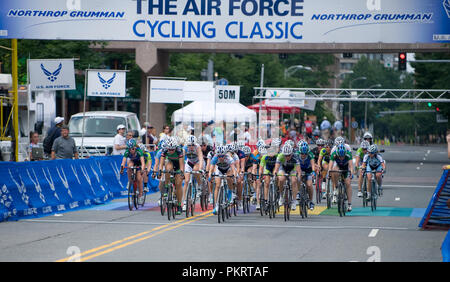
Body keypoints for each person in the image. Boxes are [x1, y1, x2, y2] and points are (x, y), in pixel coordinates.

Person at [209, 145, 237, 215]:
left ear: (225, 155)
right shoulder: (215, 158)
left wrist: (234, 176)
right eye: (219, 156)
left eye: (222, 156)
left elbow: (233, 169)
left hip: (228, 169)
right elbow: (211, 169)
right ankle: (216, 205)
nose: (221, 158)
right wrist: (210, 176)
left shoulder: (229, 158)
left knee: (229, 178)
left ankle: (230, 192)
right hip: (219, 170)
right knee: (217, 186)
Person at [273, 143, 301, 211]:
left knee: (294, 181)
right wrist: (275, 174)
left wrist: (299, 178)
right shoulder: (280, 156)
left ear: (291, 153)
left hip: (292, 169)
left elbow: (298, 170)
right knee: (281, 179)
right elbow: (276, 169)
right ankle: (281, 196)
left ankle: (294, 201)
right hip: (283, 168)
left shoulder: (295, 156)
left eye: (288, 155)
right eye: (285, 155)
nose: (287, 157)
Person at [328, 143, 354, 212]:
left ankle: (349, 204)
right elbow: (330, 165)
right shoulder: (334, 154)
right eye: (340, 156)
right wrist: (329, 172)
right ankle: (336, 188)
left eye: (343, 156)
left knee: (348, 183)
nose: (341, 158)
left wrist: (351, 173)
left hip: (346, 167)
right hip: (338, 166)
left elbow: (351, 166)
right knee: (333, 170)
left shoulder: (348, 154)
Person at [120, 139, 146, 205]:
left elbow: (143, 163)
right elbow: (123, 162)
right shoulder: (127, 152)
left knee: (139, 179)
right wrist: (122, 169)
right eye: (129, 149)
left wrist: (142, 169)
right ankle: (130, 181)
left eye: (133, 148)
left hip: (139, 163)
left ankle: (140, 195)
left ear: (135, 147)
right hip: (132, 162)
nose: (131, 150)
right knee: (129, 166)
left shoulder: (139, 151)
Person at [297, 141, 316, 210]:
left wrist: (313, 172)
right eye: (302, 153)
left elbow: (313, 164)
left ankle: (311, 201)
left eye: (305, 154)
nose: (303, 155)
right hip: (299, 169)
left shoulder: (310, 155)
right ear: (300, 152)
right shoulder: (296, 154)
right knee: (298, 178)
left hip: (308, 169)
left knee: (309, 185)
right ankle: (298, 192)